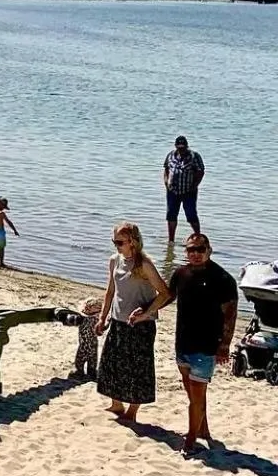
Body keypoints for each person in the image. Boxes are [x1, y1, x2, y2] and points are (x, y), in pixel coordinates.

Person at [155, 232, 238, 457]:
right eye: (191, 250)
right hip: (182, 343)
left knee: (197, 395)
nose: (195, 254)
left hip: (207, 346)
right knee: (193, 394)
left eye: (200, 249)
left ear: (209, 250)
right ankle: (203, 428)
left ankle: (190, 440)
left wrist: (224, 346)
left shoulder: (223, 279)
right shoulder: (181, 274)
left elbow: (230, 314)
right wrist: (145, 311)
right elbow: (167, 297)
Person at [95, 221, 169, 424]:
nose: (117, 246)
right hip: (118, 321)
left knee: (138, 367)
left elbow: (164, 293)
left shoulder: (143, 264)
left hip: (141, 325)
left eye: (120, 242)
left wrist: (146, 313)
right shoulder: (114, 261)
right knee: (112, 363)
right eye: (114, 242)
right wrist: (103, 317)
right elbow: (110, 291)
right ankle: (116, 403)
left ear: (133, 242)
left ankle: (132, 411)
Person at [163, 135, 205, 244]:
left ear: (187, 146)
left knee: (191, 215)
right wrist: (166, 182)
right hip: (172, 191)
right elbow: (166, 168)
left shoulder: (194, 156)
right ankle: (171, 240)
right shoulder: (171, 155)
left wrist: (195, 185)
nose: (181, 149)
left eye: (183, 147)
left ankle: (198, 237)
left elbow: (200, 172)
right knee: (171, 215)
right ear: (176, 146)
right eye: (179, 147)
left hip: (188, 191)